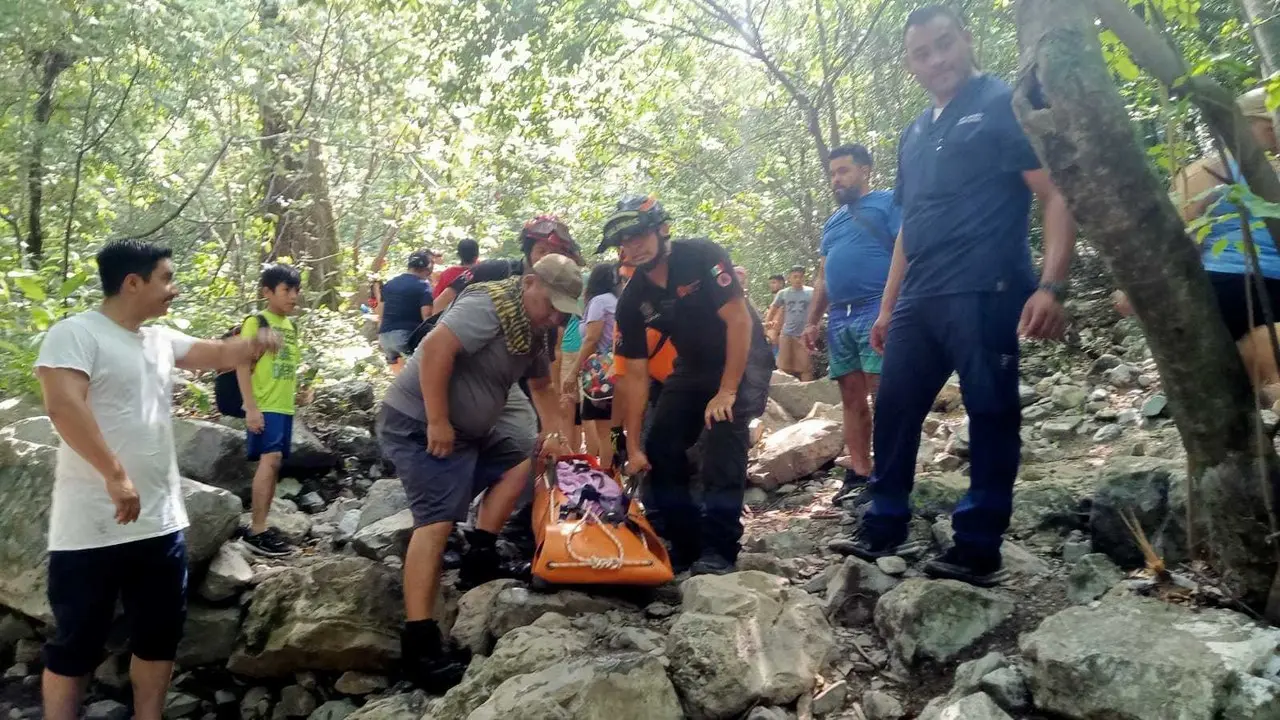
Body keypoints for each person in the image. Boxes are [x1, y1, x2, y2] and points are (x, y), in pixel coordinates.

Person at [832, 5, 1076, 587]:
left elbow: (1056, 193)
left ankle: (978, 543)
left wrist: (1053, 283)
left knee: (990, 410)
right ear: (910, 64)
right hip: (921, 296)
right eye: (923, 52)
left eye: (945, 45)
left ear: (966, 41)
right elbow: (908, 231)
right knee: (893, 409)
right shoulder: (914, 134)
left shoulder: (1001, 104)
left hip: (986, 288)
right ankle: (884, 520)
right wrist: (889, 306)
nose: (937, 60)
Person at [34, 240, 281, 720]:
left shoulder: (158, 339)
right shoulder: (76, 334)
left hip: (160, 525)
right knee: (77, 642)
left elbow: (217, 353)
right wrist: (115, 474)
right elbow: (63, 405)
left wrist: (254, 344)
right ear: (132, 282)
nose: (175, 289)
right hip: (90, 529)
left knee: (159, 636)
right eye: (166, 278)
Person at [377, 254, 581, 691]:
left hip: (471, 432)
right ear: (529, 283)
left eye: (562, 309)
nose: (553, 315)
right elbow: (434, 349)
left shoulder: (535, 329)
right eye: (550, 303)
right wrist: (437, 419)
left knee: (518, 458)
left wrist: (555, 436)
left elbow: (543, 387)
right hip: (418, 423)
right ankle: (419, 641)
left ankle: (480, 553)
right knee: (435, 522)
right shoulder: (490, 306)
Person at [605, 195, 774, 576]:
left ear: (662, 230)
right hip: (693, 364)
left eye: (640, 235)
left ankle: (720, 548)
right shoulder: (632, 300)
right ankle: (685, 543)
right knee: (660, 446)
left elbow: (740, 322)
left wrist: (727, 390)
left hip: (743, 356)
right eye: (625, 242)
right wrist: (631, 446)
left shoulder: (700, 255)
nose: (634, 247)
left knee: (722, 437)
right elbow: (633, 378)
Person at [1114, 87, 1280, 399]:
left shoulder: (1207, 169)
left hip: (1226, 284)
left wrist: (1139, 288)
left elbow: (1176, 237)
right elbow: (1179, 236)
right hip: (1250, 284)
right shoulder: (1229, 169)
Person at [803, 144, 901, 504]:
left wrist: (893, 308)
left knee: (883, 393)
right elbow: (823, 275)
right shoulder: (833, 221)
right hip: (840, 317)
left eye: (843, 171)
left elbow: (908, 251)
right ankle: (859, 472)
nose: (836, 179)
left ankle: (890, 472)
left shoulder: (889, 202)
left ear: (866, 170)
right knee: (850, 397)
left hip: (877, 308)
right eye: (832, 173)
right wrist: (812, 321)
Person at [236, 264, 303, 557]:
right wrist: (250, 407)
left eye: (296, 290)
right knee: (270, 460)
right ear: (267, 292)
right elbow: (242, 364)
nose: (293, 296)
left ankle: (260, 526)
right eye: (286, 290)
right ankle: (257, 530)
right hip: (265, 404)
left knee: (274, 464)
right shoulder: (257, 321)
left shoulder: (291, 326)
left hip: (284, 405)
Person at [572, 263, 621, 469]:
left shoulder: (599, 302)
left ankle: (607, 476)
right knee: (616, 430)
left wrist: (572, 372)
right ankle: (619, 473)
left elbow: (591, 339)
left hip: (601, 374)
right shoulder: (616, 301)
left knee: (604, 433)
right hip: (618, 369)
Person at [379, 250, 435, 371]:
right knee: (420, 372)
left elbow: (380, 312)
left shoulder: (389, 284)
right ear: (426, 269)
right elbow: (427, 315)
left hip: (384, 337)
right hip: (406, 337)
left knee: (400, 379)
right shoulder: (423, 285)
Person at [768, 264, 815, 381]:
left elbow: (819, 309)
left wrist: (815, 326)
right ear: (789, 278)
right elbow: (773, 309)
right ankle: (785, 394)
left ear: (804, 278)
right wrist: (768, 327)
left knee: (805, 367)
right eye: (795, 276)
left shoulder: (811, 292)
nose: (798, 279)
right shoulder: (783, 293)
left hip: (804, 335)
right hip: (787, 333)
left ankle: (807, 393)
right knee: (784, 367)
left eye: (800, 277)